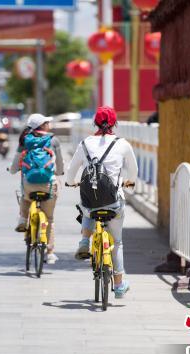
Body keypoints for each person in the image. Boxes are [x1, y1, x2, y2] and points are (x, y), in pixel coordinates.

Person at [65, 106, 138, 298]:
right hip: (115, 202)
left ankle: (84, 241)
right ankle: (120, 285)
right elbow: (134, 171)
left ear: (95, 123)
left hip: (92, 203)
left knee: (87, 206)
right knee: (118, 242)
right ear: (114, 123)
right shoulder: (122, 144)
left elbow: (71, 172)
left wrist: (70, 182)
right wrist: (129, 182)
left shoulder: (85, 143)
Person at [9, 113, 64, 265]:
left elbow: (15, 163)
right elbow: (59, 163)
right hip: (48, 185)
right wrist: (59, 172)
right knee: (50, 218)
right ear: (43, 126)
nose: (49, 124)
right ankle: (50, 252)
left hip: (29, 184)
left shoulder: (25, 140)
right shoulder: (54, 140)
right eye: (47, 122)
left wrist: (13, 170)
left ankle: (23, 219)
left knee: (25, 196)